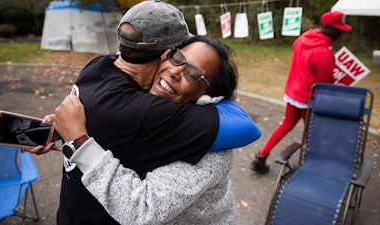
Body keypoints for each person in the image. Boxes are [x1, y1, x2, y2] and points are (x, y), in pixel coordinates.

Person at [30, 1, 260, 224]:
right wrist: (63, 127)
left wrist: (79, 139)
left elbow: (142, 209)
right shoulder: (135, 104)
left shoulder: (209, 150)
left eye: (192, 74)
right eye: (177, 57)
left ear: (208, 93)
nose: (175, 71)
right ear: (164, 54)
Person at [250, 11, 352, 174]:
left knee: (286, 125)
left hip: (293, 92)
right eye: (337, 29)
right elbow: (325, 85)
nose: (340, 33)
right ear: (325, 27)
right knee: (313, 132)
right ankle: (310, 165)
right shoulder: (324, 53)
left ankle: (261, 155)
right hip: (308, 99)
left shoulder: (303, 39)